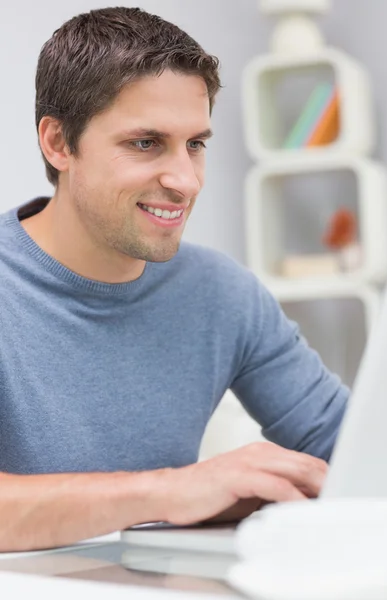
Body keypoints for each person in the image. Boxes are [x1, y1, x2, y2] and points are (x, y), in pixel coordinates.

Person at [0, 6, 348, 553]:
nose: (185, 180)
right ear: (59, 144)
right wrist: (168, 491)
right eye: (145, 143)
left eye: (196, 144)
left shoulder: (223, 295)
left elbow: (350, 447)